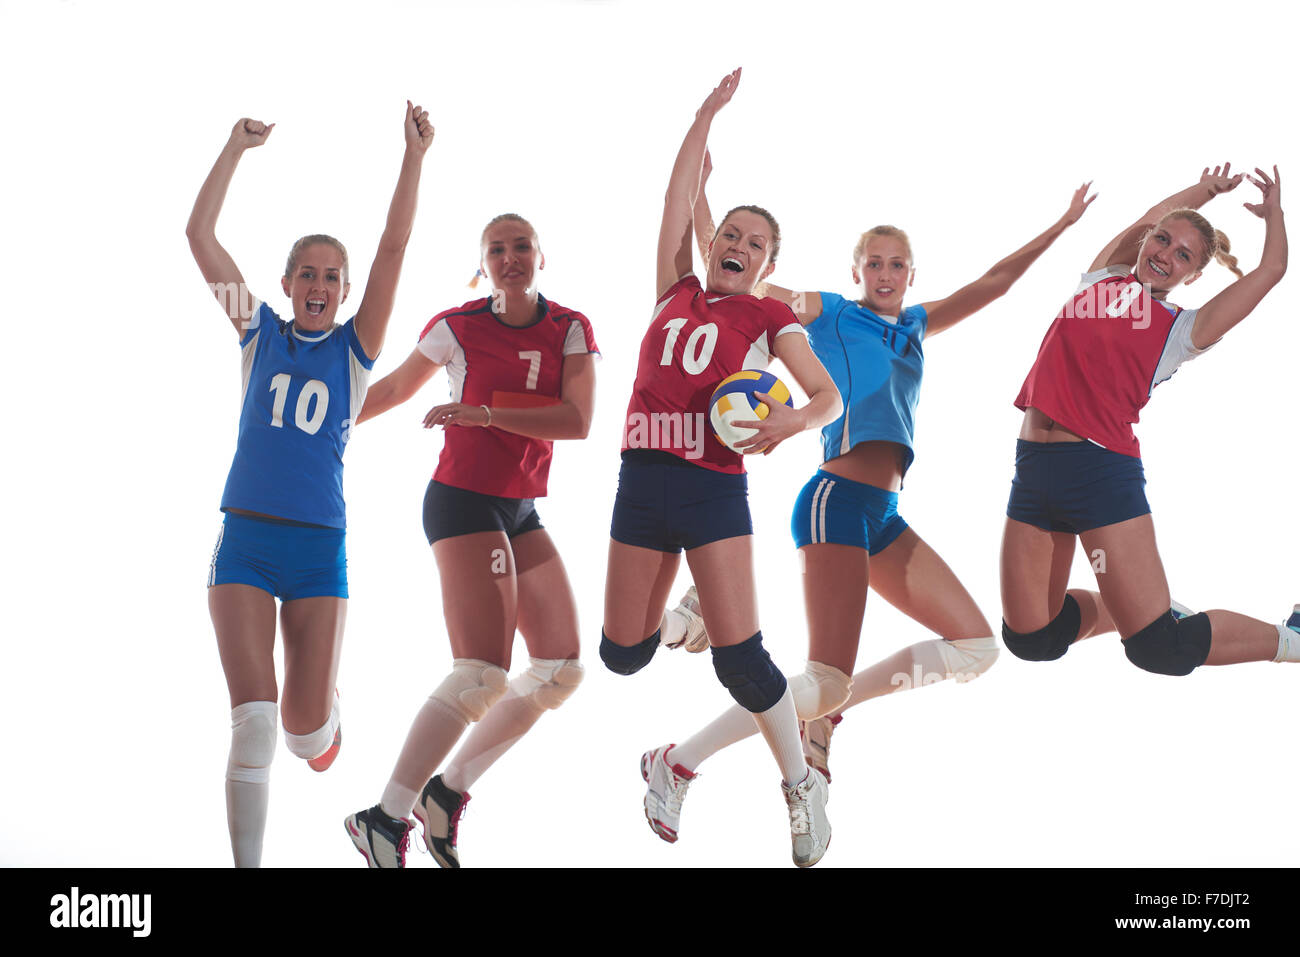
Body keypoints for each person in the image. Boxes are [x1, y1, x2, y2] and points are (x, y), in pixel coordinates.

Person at [650, 159, 1094, 814]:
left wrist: (1062, 223)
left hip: (883, 514)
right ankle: (679, 759)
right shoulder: (830, 314)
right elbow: (744, 276)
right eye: (874, 263)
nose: (885, 275)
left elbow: (995, 283)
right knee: (819, 678)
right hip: (836, 498)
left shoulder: (914, 324)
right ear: (856, 271)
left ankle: (828, 708)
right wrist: (700, 197)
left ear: (911, 276)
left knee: (974, 648)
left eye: (897, 265)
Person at [599, 69, 843, 868]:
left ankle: (801, 784)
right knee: (621, 653)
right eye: (729, 235)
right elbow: (674, 203)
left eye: (755, 243)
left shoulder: (768, 316)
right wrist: (702, 116)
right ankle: (684, 620)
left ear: (768, 263)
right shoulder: (675, 289)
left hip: (711, 488)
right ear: (712, 247)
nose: (737, 246)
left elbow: (828, 398)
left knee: (744, 662)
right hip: (641, 479)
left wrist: (788, 425)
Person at [189, 104, 434, 867]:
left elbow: (394, 244)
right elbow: (200, 238)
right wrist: (234, 148)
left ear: (345, 289)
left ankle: (327, 717)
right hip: (248, 540)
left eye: (334, 276)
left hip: (319, 547)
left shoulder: (356, 350)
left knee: (302, 737)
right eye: (309, 273)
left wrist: (414, 157)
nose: (320, 284)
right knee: (255, 724)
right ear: (288, 283)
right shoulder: (257, 331)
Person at [344, 213, 598, 868]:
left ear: (542, 254)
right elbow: (398, 387)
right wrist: (323, 416)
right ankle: (383, 816)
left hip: (521, 508)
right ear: (482, 262)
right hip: (463, 501)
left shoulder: (570, 327)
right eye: (496, 249)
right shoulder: (457, 326)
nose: (509, 257)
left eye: (521, 246)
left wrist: (485, 413)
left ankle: (446, 793)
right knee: (482, 670)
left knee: (559, 667)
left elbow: (577, 419)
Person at [1000, 165, 1297, 677]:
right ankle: (1132, 607)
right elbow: (1149, 217)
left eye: (1183, 254)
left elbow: (1269, 272)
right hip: (1033, 469)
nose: (1164, 253)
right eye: (1162, 240)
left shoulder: (1181, 330)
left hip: (1098, 474)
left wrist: (1274, 215)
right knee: (1033, 638)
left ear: (1194, 275)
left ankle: (1289, 639)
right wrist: (1206, 191)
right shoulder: (1103, 277)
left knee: (1161, 648)